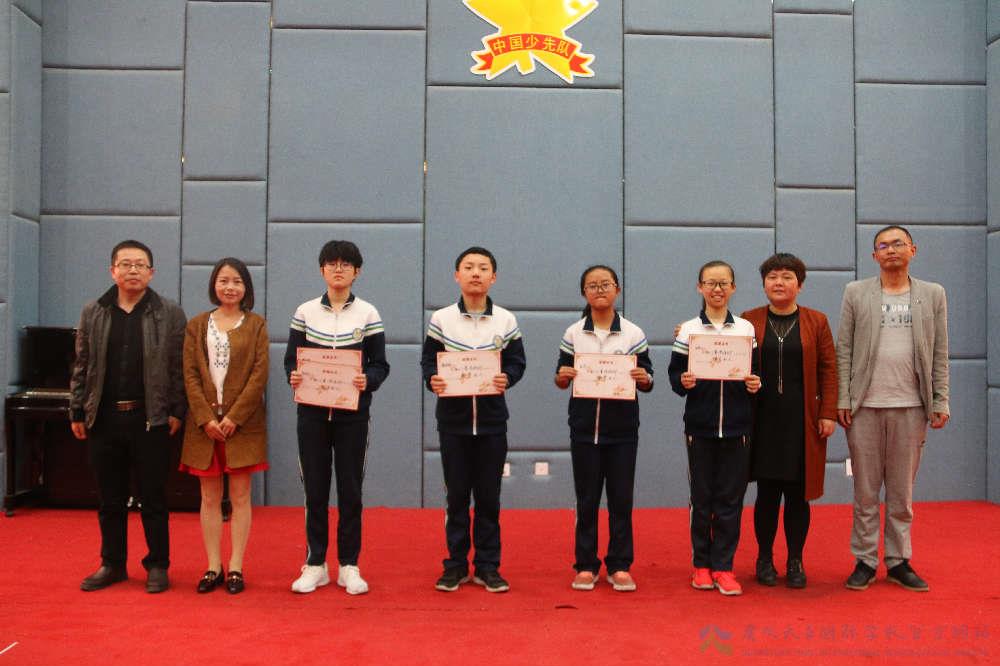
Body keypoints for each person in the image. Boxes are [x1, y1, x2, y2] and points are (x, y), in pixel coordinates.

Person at [70, 240, 187, 593]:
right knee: (110, 499)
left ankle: (158, 565)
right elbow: (82, 364)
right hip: (104, 418)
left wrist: (177, 410)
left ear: (151, 272)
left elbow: (178, 367)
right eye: (125, 264)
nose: (132, 270)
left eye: (140, 264)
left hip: (150, 418)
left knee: (153, 497)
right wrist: (77, 408)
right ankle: (113, 563)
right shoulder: (94, 311)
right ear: (113, 271)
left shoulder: (169, 313)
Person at [837, 225, 949, 592]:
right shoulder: (856, 292)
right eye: (882, 246)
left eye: (898, 243)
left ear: (913, 249)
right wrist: (843, 399)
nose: (891, 250)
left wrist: (940, 399)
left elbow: (940, 351)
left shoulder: (932, 294)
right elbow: (844, 349)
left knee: (902, 493)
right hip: (864, 407)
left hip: (911, 406)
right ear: (874, 256)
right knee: (865, 492)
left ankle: (899, 560)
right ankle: (865, 560)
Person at [284, 240, 390, 595]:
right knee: (314, 489)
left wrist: (367, 380)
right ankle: (315, 564)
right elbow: (291, 361)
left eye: (346, 264)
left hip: (353, 417)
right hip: (311, 415)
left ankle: (349, 564)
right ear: (322, 270)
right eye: (332, 263)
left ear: (357, 271)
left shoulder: (368, 314)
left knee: (350, 490)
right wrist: (294, 376)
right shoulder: (305, 312)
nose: (339, 269)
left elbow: (380, 365)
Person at [422, 247, 526, 593]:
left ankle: (487, 566)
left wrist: (508, 377)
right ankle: (454, 565)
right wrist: (433, 380)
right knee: (456, 498)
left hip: (493, 423)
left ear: (493, 277)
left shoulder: (506, 320)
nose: (476, 273)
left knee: (488, 498)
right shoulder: (441, 319)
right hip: (453, 423)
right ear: (457, 276)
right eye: (468, 267)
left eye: (483, 268)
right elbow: (429, 362)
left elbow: (517, 362)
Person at [740, 253, 837, 589]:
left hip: (802, 421)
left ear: (800, 284)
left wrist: (828, 413)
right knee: (767, 494)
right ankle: (764, 558)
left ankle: (795, 560)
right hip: (762, 420)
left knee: (798, 495)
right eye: (772, 277)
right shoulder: (748, 319)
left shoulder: (817, 321)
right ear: (763, 284)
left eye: (787, 277)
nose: (779, 283)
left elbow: (829, 370)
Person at [554, 265, 653, 592]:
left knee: (621, 500)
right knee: (586, 501)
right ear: (584, 292)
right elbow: (560, 376)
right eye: (593, 285)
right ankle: (585, 565)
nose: (599, 290)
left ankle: (620, 565)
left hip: (623, 432)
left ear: (617, 290)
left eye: (605, 284)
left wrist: (644, 378)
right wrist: (563, 377)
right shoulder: (573, 333)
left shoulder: (633, 334)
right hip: (584, 429)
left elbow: (648, 378)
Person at [668, 260, 760, 596]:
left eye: (723, 283)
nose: (717, 289)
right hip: (700, 427)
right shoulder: (689, 331)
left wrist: (755, 384)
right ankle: (701, 566)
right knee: (701, 499)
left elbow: (755, 373)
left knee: (730, 500)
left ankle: (724, 567)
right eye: (711, 283)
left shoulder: (746, 329)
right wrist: (683, 381)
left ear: (733, 288)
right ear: (700, 287)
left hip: (737, 428)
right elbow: (674, 376)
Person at [179, 258, 269, 595]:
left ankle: (236, 567)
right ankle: (213, 565)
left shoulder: (257, 325)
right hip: (204, 426)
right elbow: (189, 374)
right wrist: (206, 418)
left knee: (241, 496)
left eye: (237, 281)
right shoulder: (197, 325)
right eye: (223, 281)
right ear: (214, 285)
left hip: (242, 425)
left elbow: (259, 375)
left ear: (246, 287)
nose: (230, 287)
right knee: (209, 497)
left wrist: (234, 417)